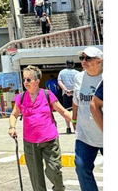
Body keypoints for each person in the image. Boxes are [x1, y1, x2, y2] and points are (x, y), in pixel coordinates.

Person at [8, 66, 73, 191]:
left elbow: (64, 111)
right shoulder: (21, 98)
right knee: (36, 177)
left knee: (54, 170)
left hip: (50, 140)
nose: (25, 82)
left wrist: (77, 122)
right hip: (30, 142)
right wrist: (12, 127)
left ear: (37, 81)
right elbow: (14, 114)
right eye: (24, 79)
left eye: (28, 79)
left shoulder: (47, 94)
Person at [73, 47, 104, 191]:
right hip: (85, 134)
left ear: (99, 61)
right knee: (81, 167)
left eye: (88, 58)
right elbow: (76, 101)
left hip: (103, 132)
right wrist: (74, 119)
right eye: (82, 58)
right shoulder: (78, 77)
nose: (83, 61)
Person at [57, 60, 79, 134]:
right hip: (75, 94)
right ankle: (75, 128)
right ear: (73, 64)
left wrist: (66, 90)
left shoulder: (62, 72)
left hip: (66, 94)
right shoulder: (77, 72)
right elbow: (78, 83)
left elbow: (59, 82)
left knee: (66, 111)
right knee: (76, 112)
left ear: (66, 64)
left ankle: (68, 128)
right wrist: (73, 90)